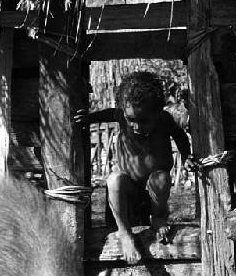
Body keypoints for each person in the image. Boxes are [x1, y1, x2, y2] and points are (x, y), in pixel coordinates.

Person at [75, 71, 195, 264]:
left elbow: (180, 136)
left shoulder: (164, 120)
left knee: (161, 178)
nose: (136, 126)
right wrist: (90, 118)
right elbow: (110, 113)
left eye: (143, 120)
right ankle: (124, 233)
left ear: (158, 112)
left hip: (154, 191)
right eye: (131, 119)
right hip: (128, 188)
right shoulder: (123, 116)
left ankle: (157, 218)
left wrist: (186, 155)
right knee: (114, 179)